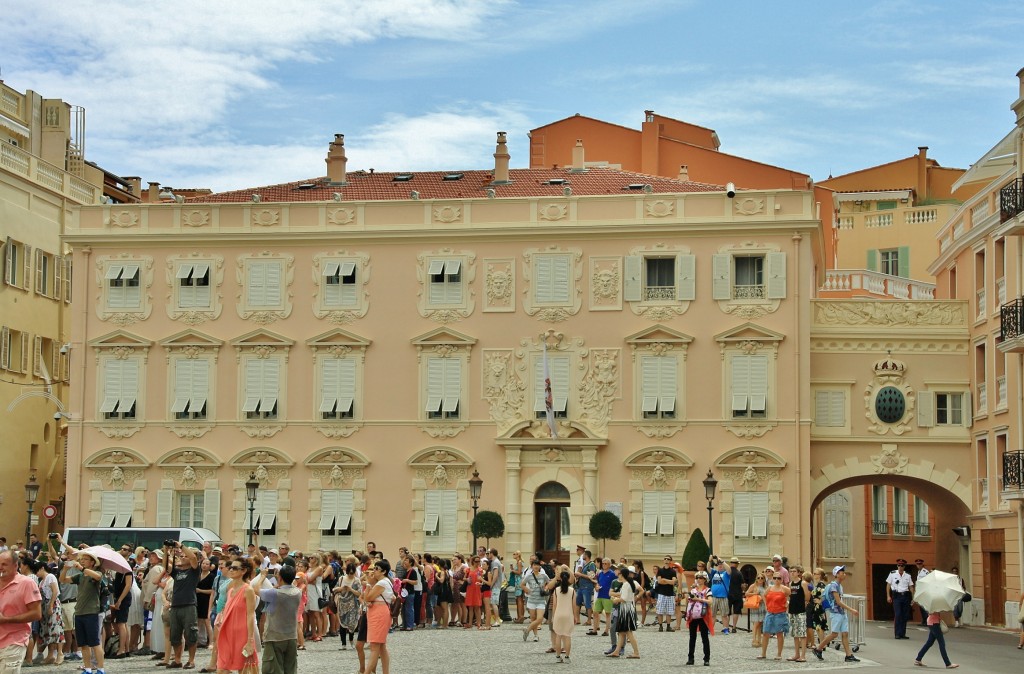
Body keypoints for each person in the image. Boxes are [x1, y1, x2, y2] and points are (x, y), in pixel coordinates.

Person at [60, 549, 103, 674]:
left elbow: (98, 577)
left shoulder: (95, 573)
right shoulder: (80, 576)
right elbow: (63, 580)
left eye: (85, 559)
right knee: (83, 643)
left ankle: (100, 668)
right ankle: (88, 668)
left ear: (92, 563)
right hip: (79, 612)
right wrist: (65, 569)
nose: (82, 561)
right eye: (82, 559)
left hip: (91, 612)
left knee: (95, 642)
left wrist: (82, 569)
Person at [0, 551, 43, 674]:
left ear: (15, 565)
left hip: (14, 640)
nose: (0, 567)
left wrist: (6, 619)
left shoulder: (27, 583)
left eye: (4, 564)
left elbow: (36, 613)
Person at [215, 558, 257, 674]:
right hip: (227, 633)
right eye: (230, 567)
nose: (231, 570)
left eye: (234, 568)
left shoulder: (248, 590)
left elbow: (250, 615)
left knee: (243, 669)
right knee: (222, 668)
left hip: (242, 635)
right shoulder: (230, 590)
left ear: (243, 571)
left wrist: (250, 640)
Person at [811, 566, 860, 663]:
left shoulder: (839, 586)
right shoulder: (834, 586)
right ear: (836, 574)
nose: (844, 574)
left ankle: (848, 655)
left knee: (845, 633)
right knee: (834, 634)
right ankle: (818, 648)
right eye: (841, 572)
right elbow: (838, 602)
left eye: (844, 572)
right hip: (836, 613)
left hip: (841, 613)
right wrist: (851, 610)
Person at [257, 564, 301, 674]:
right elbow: (288, 586)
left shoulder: (274, 593)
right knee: (290, 670)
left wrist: (262, 576)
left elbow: (255, 589)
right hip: (291, 636)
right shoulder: (297, 592)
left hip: (274, 637)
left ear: (280, 578)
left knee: (273, 670)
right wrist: (280, 580)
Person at [362, 560, 394, 674]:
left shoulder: (382, 583)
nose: (373, 571)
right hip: (380, 612)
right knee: (381, 646)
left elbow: (368, 598)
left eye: (376, 569)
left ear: (384, 571)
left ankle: (366, 672)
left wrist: (369, 584)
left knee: (374, 647)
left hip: (379, 613)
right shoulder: (385, 582)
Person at [33, 559, 64, 664]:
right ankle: (51, 655)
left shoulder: (50, 577)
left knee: (56, 629)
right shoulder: (41, 581)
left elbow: (55, 591)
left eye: (37, 571)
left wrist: (51, 605)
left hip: (53, 604)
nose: (36, 573)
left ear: (42, 568)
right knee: (49, 631)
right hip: (45, 606)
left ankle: (60, 653)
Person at [607, 566, 639, 660]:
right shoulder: (629, 583)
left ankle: (636, 652)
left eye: (619, 574)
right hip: (627, 608)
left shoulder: (626, 584)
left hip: (626, 609)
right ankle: (617, 651)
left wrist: (615, 600)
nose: (618, 575)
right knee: (621, 632)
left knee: (628, 632)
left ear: (622, 575)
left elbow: (624, 598)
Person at [684, 570, 713, 666]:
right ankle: (690, 658)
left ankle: (706, 658)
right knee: (692, 638)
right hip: (693, 616)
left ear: (705, 579)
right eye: (697, 578)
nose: (699, 580)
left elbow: (710, 601)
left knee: (704, 638)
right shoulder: (693, 590)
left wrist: (698, 599)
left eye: (701, 578)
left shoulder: (707, 590)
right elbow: (689, 602)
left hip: (703, 616)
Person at [759, 569, 789, 661]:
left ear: (781, 579)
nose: (776, 580)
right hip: (770, 612)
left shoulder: (785, 589)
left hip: (780, 613)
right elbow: (764, 595)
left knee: (779, 633)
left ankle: (779, 654)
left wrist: (787, 603)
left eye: (779, 578)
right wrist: (766, 605)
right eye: (775, 578)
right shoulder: (770, 588)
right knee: (765, 632)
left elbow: (792, 596)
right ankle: (763, 653)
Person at [333, 562, 361, 649]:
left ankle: (351, 640)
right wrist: (341, 589)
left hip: (353, 604)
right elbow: (334, 589)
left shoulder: (356, 581)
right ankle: (343, 644)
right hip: (342, 603)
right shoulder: (341, 579)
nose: (350, 575)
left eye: (352, 573)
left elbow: (359, 593)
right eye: (349, 573)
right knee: (342, 623)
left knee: (352, 623)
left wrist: (351, 589)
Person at [520, 559, 548, 643]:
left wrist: (546, 588)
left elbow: (549, 583)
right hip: (531, 600)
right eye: (534, 565)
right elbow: (522, 584)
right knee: (533, 618)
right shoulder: (529, 576)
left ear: (540, 566)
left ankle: (527, 630)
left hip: (541, 601)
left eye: (537, 565)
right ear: (532, 566)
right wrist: (527, 590)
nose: (536, 566)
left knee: (539, 619)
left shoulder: (543, 576)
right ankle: (536, 636)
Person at [550, 571, 575, 663]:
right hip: (568, 615)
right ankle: (567, 657)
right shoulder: (572, 591)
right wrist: (575, 617)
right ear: (568, 579)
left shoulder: (556, 590)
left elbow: (554, 605)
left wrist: (553, 616)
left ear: (560, 578)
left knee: (558, 636)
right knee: (567, 636)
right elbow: (574, 605)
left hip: (558, 614)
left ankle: (557, 656)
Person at [886, 558, 914, 639]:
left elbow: (911, 587)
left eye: (902, 565)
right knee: (898, 614)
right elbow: (888, 585)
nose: (900, 567)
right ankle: (897, 633)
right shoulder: (892, 574)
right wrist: (888, 596)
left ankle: (903, 633)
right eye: (899, 565)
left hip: (905, 596)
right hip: (897, 596)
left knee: (905, 615)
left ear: (904, 566)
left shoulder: (908, 575)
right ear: (897, 566)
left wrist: (913, 598)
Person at [787, 570, 811, 662]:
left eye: (794, 571)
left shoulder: (803, 583)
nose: (792, 573)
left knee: (802, 633)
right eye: (791, 571)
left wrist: (803, 605)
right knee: (795, 633)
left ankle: (803, 655)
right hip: (792, 610)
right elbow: (790, 596)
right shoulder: (790, 584)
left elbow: (807, 596)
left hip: (800, 611)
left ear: (798, 573)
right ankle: (796, 654)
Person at [654, 556, 677, 632]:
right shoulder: (660, 570)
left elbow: (673, 582)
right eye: (665, 559)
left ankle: (668, 626)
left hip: (670, 593)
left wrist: (664, 580)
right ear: (663, 560)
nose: (666, 560)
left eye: (668, 559)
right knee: (660, 611)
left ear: (671, 561)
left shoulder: (673, 571)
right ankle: (660, 626)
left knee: (669, 611)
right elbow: (659, 581)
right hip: (661, 593)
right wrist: (668, 581)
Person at [572, 550, 594, 626]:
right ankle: (577, 619)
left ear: (586, 555)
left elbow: (591, 576)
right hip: (581, 587)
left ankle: (589, 620)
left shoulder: (591, 564)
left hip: (587, 587)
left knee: (587, 603)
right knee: (577, 603)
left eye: (583, 555)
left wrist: (580, 575)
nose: (582, 556)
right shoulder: (585, 564)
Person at [708, 559, 731, 633]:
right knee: (712, 614)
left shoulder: (726, 573)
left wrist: (723, 561)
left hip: (723, 597)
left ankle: (726, 628)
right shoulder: (715, 572)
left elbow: (729, 569)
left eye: (721, 564)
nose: (720, 565)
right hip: (714, 597)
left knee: (724, 614)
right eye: (718, 564)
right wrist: (710, 560)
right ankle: (711, 628)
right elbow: (708, 568)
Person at [745, 573, 767, 648]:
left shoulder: (765, 587)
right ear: (756, 579)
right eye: (758, 578)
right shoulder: (753, 586)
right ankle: (754, 639)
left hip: (762, 606)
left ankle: (759, 640)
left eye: (762, 578)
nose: (760, 579)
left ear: (764, 579)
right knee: (756, 623)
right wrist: (755, 594)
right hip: (755, 606)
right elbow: (746, 593)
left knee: (760, 623)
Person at [727, 557, 744, 632]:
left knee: (727, 612)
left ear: (730, 563)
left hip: (728, 594)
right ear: (737, 564)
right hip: (737, 594)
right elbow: (742, 585)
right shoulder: (739, 573)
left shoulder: (727, 572)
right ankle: (734, 627)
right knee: (736, 611)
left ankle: (726, 627)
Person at [506, 552, 524, 623]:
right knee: (519, 599)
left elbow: (519, 572)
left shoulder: (519, 562)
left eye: (515, 554)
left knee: (519, 599)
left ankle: (520, 617)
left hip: (519, 582)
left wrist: (512, 570)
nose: (513, 555)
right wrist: (513, 569)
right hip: (518, 582)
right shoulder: (518, 562)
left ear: (518, 555)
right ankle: (519, 616)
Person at [914, 558, 930, 625]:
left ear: (922, 564)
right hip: (920, 591)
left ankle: (926, 621)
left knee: (924, 607)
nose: (918, 565)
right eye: (917, 564)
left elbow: (928, 581)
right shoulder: (919, 572)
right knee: (921, 606)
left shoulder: (925, 572)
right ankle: (924, 620)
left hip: (924, 591)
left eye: (920, 564)